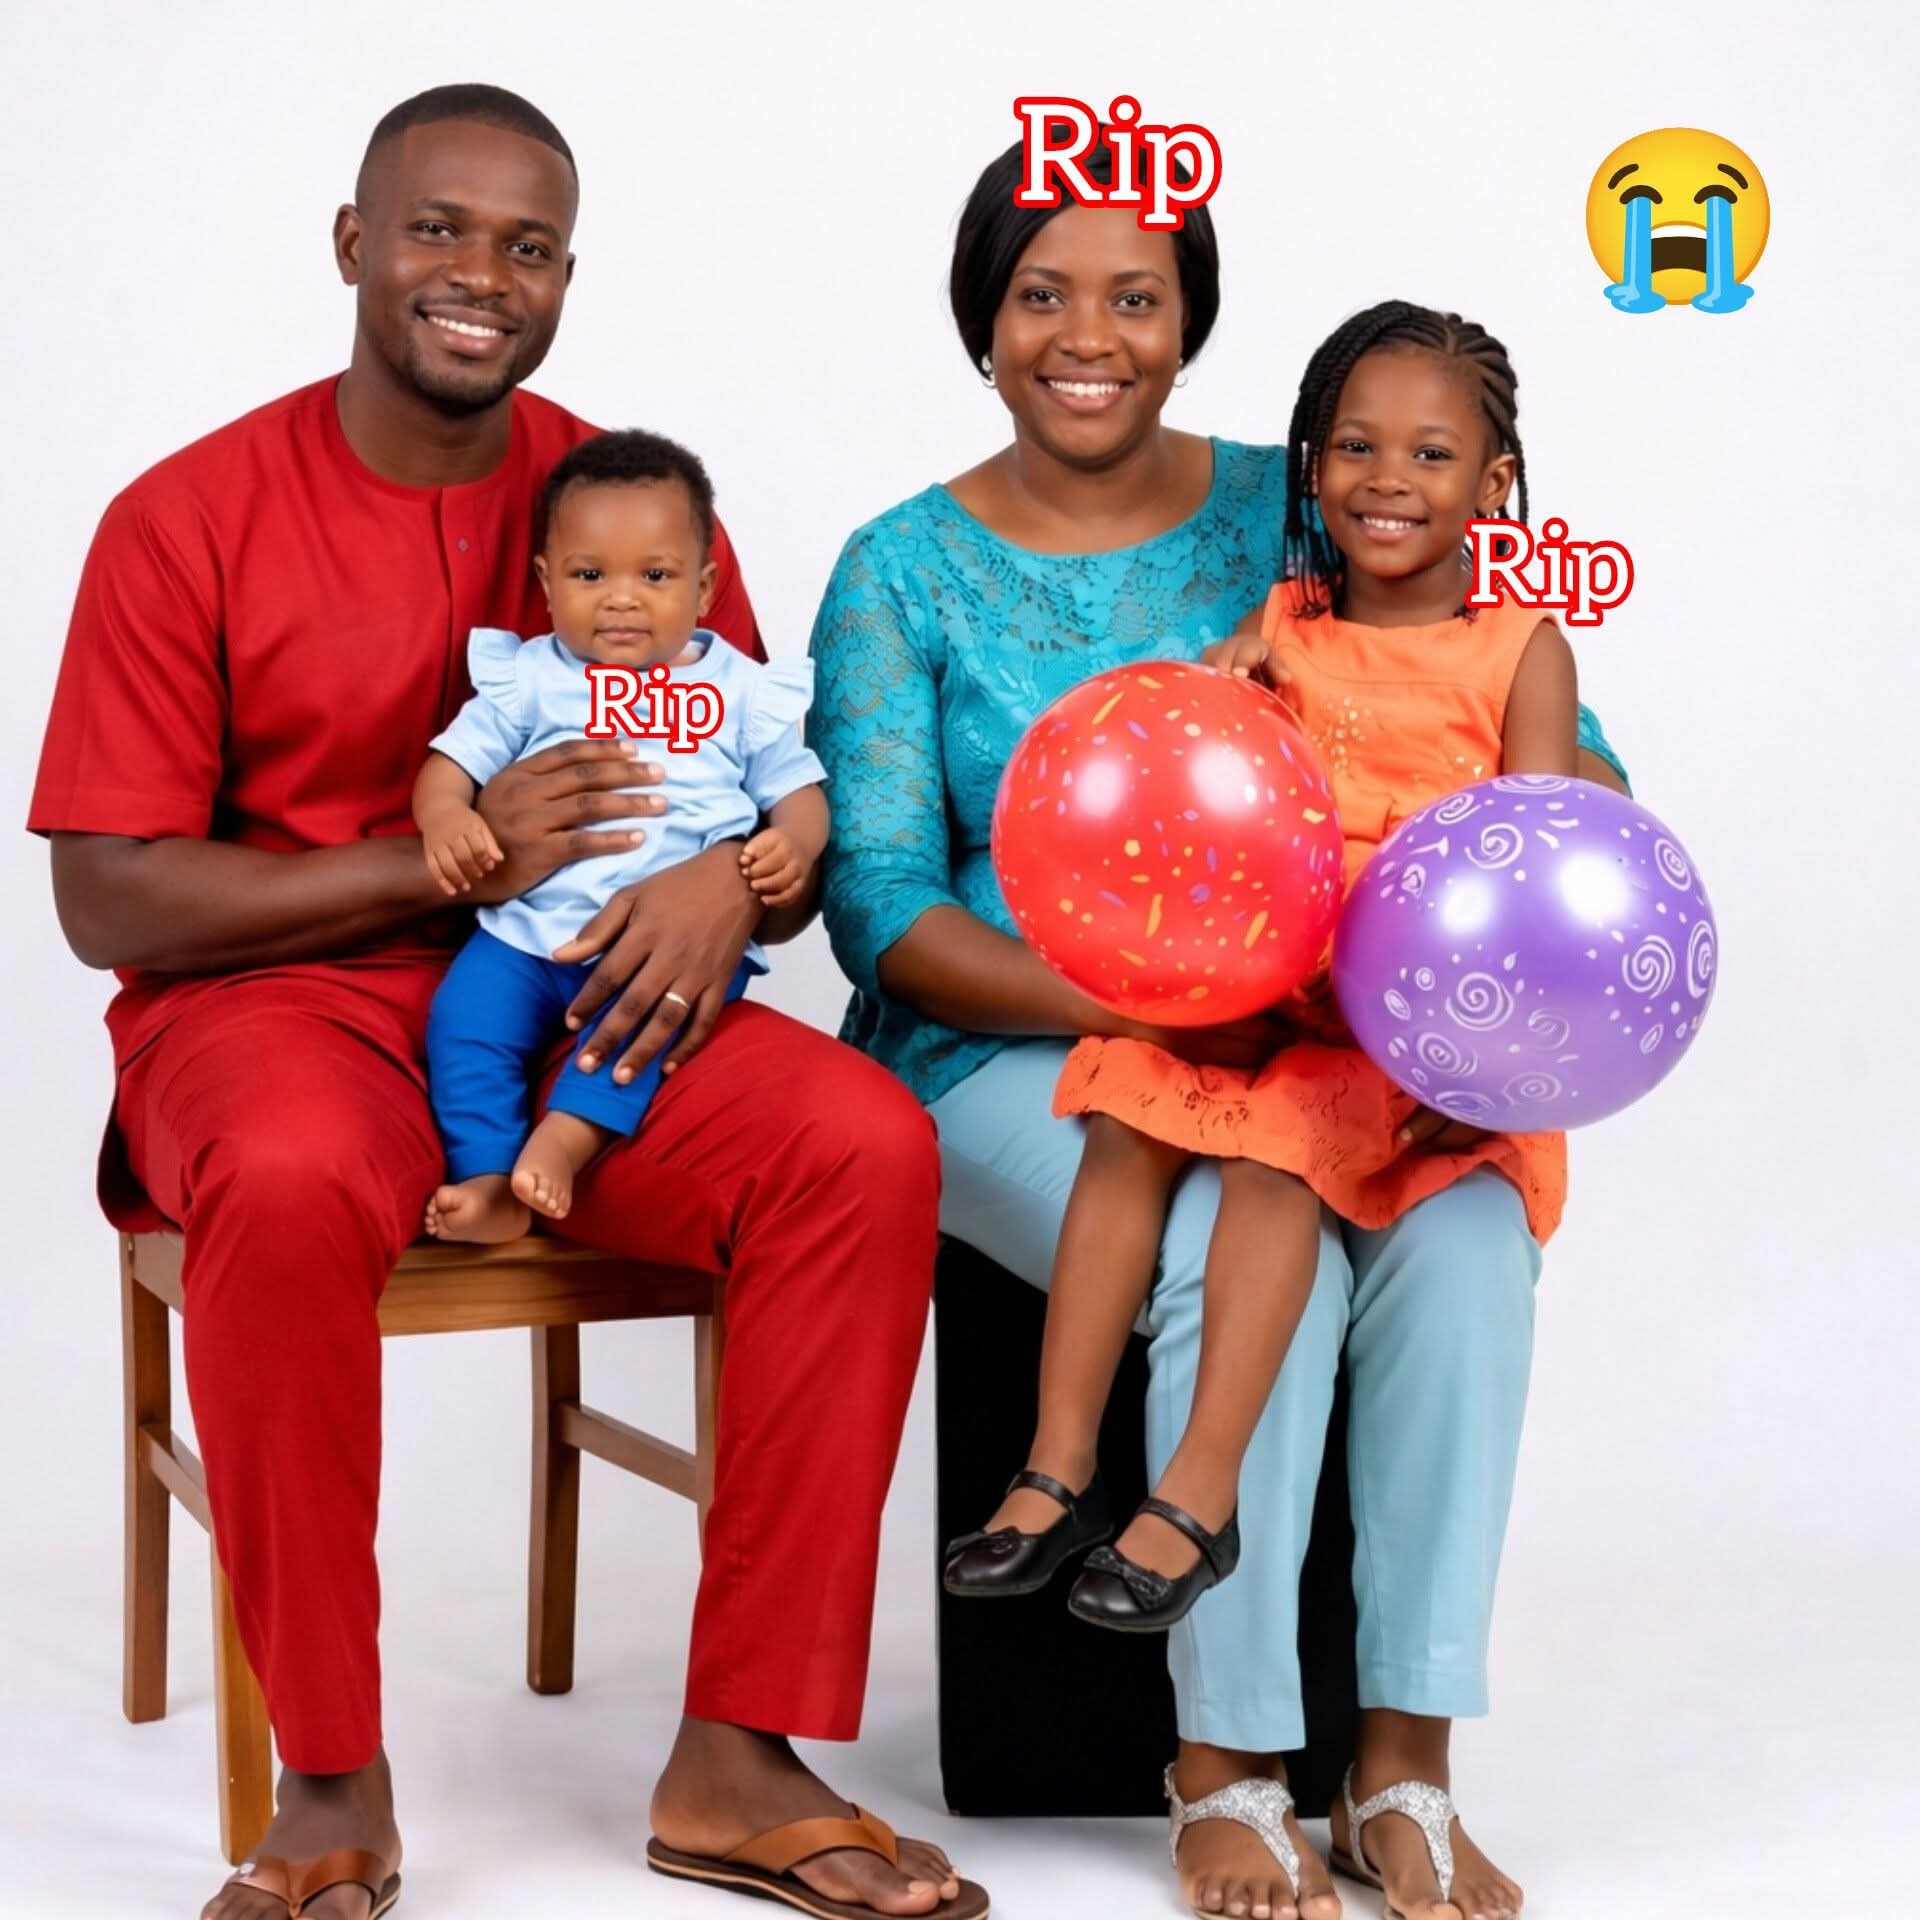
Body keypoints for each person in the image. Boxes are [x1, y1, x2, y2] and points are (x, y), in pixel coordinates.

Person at [32, 85, 981, 1920]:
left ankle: (742, 1756)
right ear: (355, 245)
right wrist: (434, 860)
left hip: (589, 1009)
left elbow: (743, 769)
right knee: (297, 1182)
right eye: (441, 230)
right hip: (272, 1010)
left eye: (527, 245)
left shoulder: (620, 504)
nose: (481, 275)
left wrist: (732, 883)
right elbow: (104, 896)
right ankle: (329, 1777)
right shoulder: (186, 516)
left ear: (564, 278)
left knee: (859, 1141)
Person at [814, 136, 1630, 1920]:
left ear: (1192, 325)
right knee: (1226, 1234)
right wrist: (1140, 996)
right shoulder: (900, 570)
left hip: (1329, 1045)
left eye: (1136, 294)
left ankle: (1402, 1765)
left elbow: (1537, 773)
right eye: (1041, 292)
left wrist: (1464, 991)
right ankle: (1234, 1763)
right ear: (983, 319)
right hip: (1015, 1048)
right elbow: (883, 905)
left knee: (1473, 1235)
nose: (1086, 334)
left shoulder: (1310, 497)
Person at [942, 299, 1579, 1664]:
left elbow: (1533, 864)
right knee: (1118, 1105)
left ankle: (1200, 1491)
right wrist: (1224, 674)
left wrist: (1466, 1046)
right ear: (1313, 467)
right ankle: (1058, 1472)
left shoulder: (1521, 648)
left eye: (1428, 456)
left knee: (1270, 1160)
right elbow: (1222, 792)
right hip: (1257, 985)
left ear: (1494, 484)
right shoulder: (1283, 619)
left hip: (1388, 1028)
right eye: (1355, 448)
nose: (1388, 483)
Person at [418, 428, 829, 1239]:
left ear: (705, 587)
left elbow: (801, 792)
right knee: (461, 1022)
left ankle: (566, 1144)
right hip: (526, 934)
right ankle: (490, 1176)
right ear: (546, 583)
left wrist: (795, 844)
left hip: (665, 946)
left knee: (641, 1037)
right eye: (589, 574)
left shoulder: (741, 691)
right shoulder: (532, 678)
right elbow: (451, 762)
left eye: (654, 575)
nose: (621, 598)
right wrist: (444, 817)